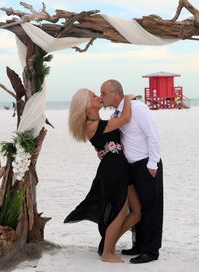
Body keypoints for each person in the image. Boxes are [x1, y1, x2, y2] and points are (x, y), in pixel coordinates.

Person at [64, 88, 141, 263]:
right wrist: (128, 98)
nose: (98, 97)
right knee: (120, 213)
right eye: (93, 95)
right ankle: (107, 252)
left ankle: (108, 243)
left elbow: (100, 144)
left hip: (120, 166)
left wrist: (102, 150)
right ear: (85, 104)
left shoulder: (96, 122)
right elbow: (125, 118)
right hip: (113, 170)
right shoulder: (92, 124)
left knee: (137, 212)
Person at [100, 79, 164, 264]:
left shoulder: (137, 108)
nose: (102, 97)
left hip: (146, 164)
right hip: (130, 168)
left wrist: (153, 163)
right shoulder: (116, 115)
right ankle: (139, 245)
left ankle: (151, 251)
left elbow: (153, 135)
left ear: (115, 93)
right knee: (138, 208)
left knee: (152, 208)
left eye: (104, 93)